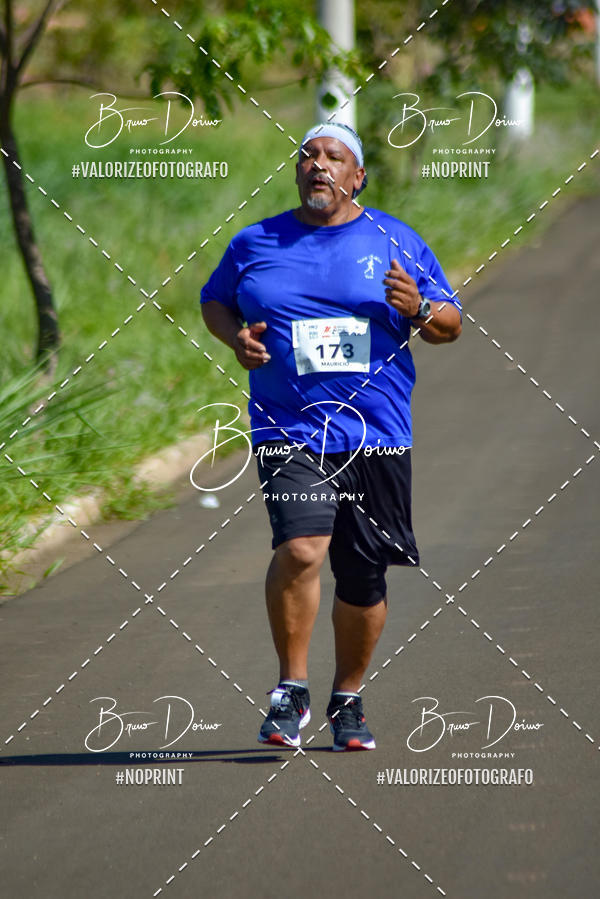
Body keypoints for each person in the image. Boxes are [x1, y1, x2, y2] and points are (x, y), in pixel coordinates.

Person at [200, 123, 461, 751]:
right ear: (297, 172)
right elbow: (214, 300)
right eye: (309, 156)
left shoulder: (394, 238)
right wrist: (235, 337)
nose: (319, 164)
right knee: (301, 548)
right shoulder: (255, 241)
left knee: (364, 575)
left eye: (334, 157)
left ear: (357, 176)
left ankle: (348, 697)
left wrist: (417, 309)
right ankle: (290, 690)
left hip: (376, 432)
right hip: (287, 425)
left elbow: (450, 323)